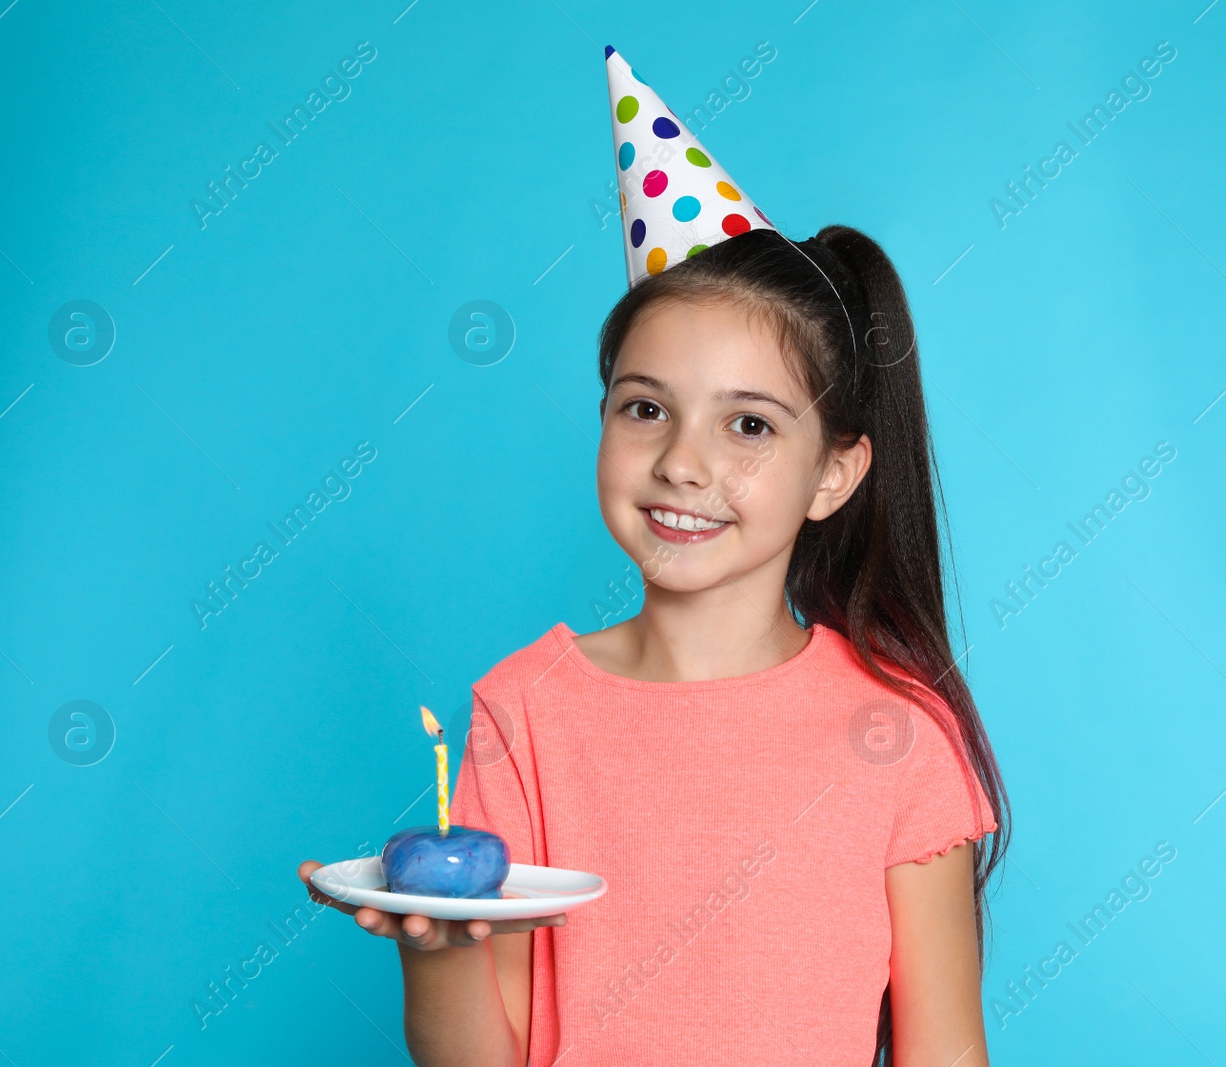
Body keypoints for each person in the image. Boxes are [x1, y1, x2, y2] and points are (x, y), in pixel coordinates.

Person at [298, 46, 1008, 1067]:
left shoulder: (896, 733)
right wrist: (438, 946)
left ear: (834, 474)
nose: (682, 462)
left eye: (750, 426)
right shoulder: (527, 706)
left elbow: (947, 1050)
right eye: (645, 408)